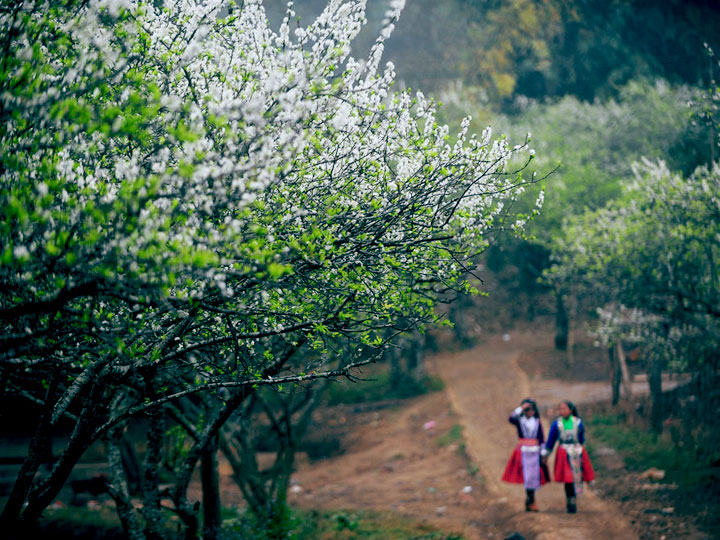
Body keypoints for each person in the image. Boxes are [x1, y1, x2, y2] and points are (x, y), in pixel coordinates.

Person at [542, 400, 595, 513]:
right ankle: (570, 499)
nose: (562, 411)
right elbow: (551, 441)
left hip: (576, 452)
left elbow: (581, 439)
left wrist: (581, 449)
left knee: (576, 477)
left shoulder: (578, 423)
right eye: (560, 409)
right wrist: (546, 454)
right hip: (564, 453)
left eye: (564, 408)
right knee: (568, 478)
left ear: (570, 410)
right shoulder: (557, 424)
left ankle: (573, 498)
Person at [501, 398, 550, 511]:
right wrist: (521, 408)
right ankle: (531, 500)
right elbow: (511, 418)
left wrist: (543, 452)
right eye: (526, 410)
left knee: (533, 476)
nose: (528, 412)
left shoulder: (537, 421)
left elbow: (541, 437)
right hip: (523, 452)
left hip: (535, 452)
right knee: (527, 476)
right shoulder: (520, 420)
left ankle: (530, 500)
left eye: (530, 409)